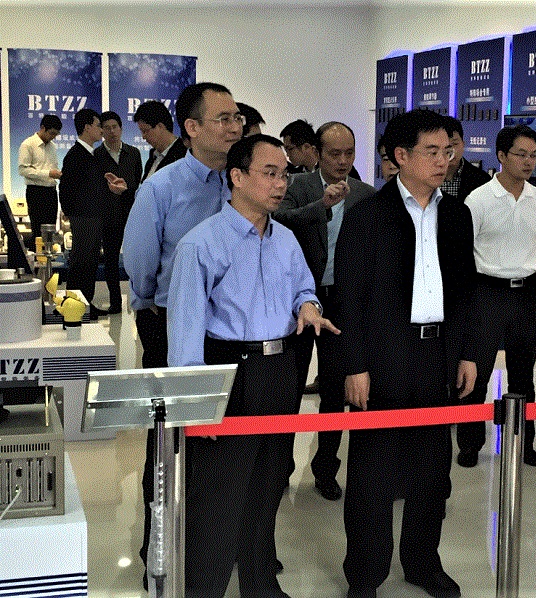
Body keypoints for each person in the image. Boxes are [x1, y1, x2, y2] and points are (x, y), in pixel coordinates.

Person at [168, 134, 338, 597]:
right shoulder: (201, 244)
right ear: (237, 177)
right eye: (270, 173)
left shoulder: (286, 239)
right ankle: (204, 588)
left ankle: (261, 584)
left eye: (285, 175)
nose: (281, 184)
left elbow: (304, 287)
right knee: (219, 495)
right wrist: (196, 405)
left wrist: (307, 305)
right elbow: (185, 332)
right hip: (231, 371)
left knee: (268, 484)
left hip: (280, 369)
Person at [336, 109, 477, 598]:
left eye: (448, 151)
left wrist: (468, 353)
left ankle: (422, 563)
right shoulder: (367, 216)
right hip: (383, 357)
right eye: (431, 152)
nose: (444, 161)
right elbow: (348, 297)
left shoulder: (456, 215)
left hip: (438, 354)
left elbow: (466, 291)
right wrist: (354, 365)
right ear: (401, 156)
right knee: (373, 475)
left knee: (432, 473)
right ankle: (365, 574)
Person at [122, 82, 243, 581]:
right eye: (223, 118)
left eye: (237, 118)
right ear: (191, 127)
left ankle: (219, 551)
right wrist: (156, 310)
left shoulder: (241, 182)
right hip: (170, 325)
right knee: (169, 448)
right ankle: (159, 556)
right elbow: (139, 263)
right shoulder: (162, 188)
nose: (234, 127)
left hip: (231, 332)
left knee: (225, 447)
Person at [274, 121, 375, 501]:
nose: (343, 161)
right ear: (317, 153)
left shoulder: (365, 194)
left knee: (334, 393)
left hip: (343, 304)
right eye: (335, 153)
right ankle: (279, 469)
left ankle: (326, 470)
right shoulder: (297, 186)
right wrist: (322, 205)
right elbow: (279, 221)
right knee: (288, 391)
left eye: (349, 153)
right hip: (298, 302)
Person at [457, 124, 536, 469]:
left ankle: (524, 444)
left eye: (534, 155)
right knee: (475, 374)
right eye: (521, 154)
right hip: (486, 293)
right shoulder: (479, 199)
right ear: (501, 156)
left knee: (523, 375)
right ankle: (470, 444)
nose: (529, 161)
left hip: (526, 295)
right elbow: (464, 252)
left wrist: (531, 278)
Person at [60, 108, 127, 320]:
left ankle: (85, 304)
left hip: (92, 217)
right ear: (87, 127)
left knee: (88, 263)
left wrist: (108, 185)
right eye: (99, 126)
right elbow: (66, 188)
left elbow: (88, 187)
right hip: (85, 218)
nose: (102, 130)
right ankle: (74, 307)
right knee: (81, 263)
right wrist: (73, 214)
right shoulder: (76, 155)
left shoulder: (89, 154)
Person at [94, 111, 142, 314]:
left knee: (137, 259)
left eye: (115, 127)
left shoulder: (134, 153)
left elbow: (137, 182)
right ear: (101, 131)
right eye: (107, 128)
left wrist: (126, 189)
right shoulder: (96, 155)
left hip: (131, 213)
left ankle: (140, 300)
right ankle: (115, 302)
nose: (112, 131)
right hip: (108, 215)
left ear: (121, 129)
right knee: (111, 261)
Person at [18, 114, 62, 250]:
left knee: (51, 230)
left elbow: (52, 168)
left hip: (51, 191)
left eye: (56, 134)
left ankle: (49, 256)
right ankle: (38, 259)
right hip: (36, 192)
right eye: (52, 133)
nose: (53, 137)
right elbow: (23, 170)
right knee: (38, 231)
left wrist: (58, 174)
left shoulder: (53, 146)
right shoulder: (28, 144)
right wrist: (48, 173)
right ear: (43, 128)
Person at [133, 100, 187, 182]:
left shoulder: (184, 156)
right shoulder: (153, 156)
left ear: (160, 126)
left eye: (145, 131)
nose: (143, 137)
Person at [441, 116, 491, 202]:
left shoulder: (482, 179)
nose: (450, 150)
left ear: (463, 144)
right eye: (445, 145)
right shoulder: (422, 178)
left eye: (455, 144)